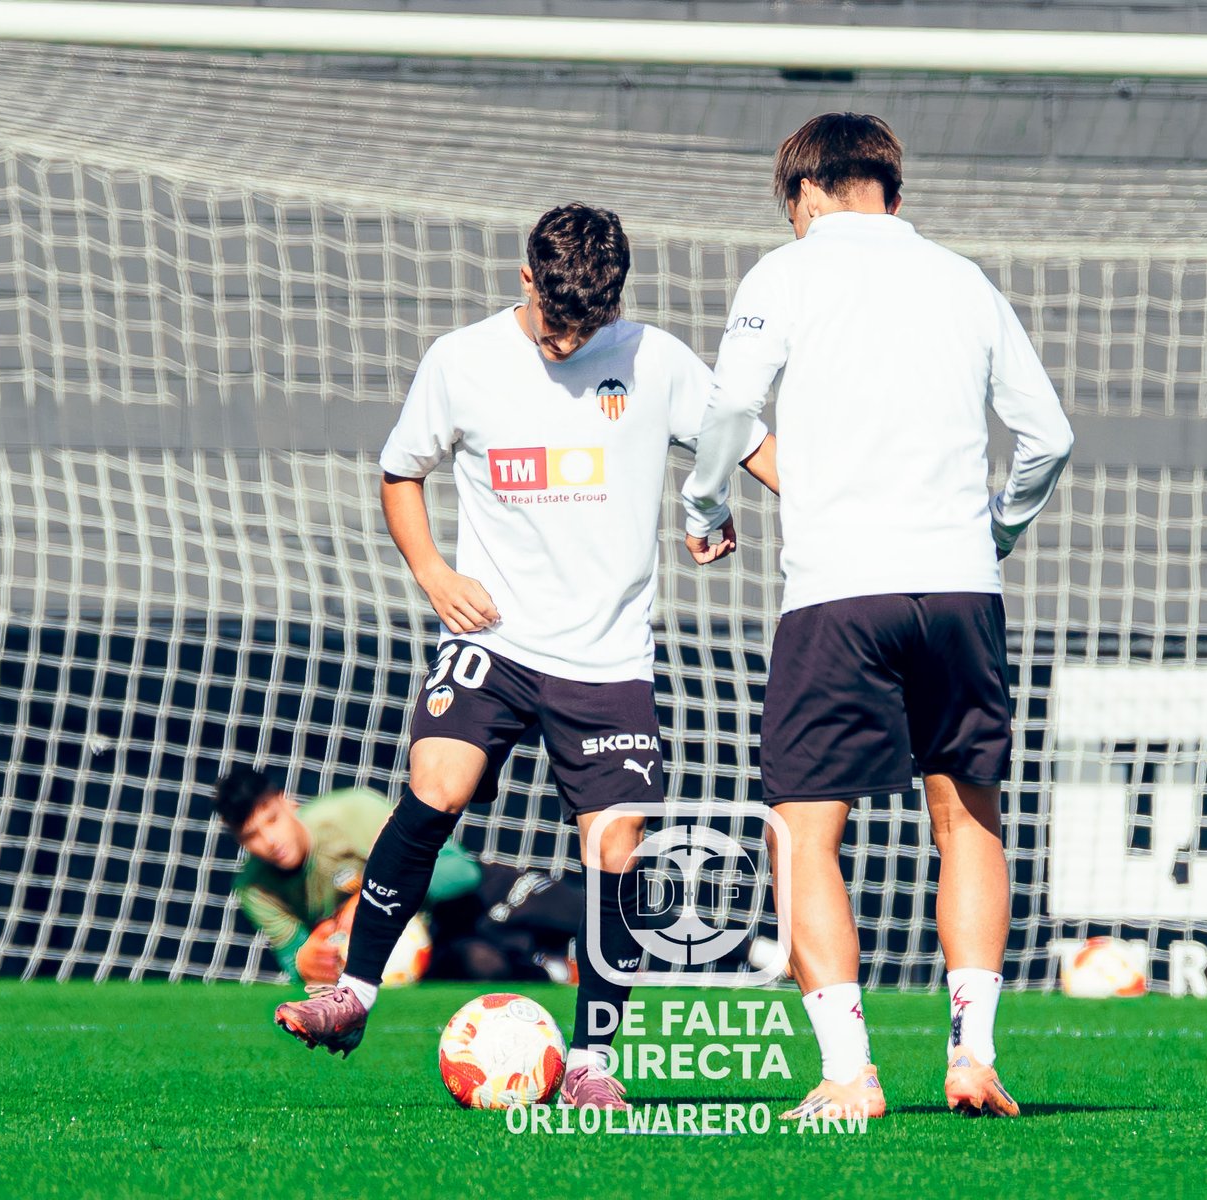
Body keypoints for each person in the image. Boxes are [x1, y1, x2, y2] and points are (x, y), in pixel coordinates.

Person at [273, 203, 777, 1111]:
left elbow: (750, 445)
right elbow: (401, 472)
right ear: (525, 281)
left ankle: (591, 1062)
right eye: (553, 322)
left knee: (616, 850)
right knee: (436, 784)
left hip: (607, 659)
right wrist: (431, 570)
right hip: (492, 641)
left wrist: (743, 508)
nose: (564, 344)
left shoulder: (654, 359)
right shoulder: (461, 361)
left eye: (584, 327)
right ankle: (353, 993)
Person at [683, 113, 1074, 1120]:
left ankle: (849, 1073)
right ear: (891, 194)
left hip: (838, 591)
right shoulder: (962, 279)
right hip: (958, 588)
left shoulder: (785, 272)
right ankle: (972, 1057)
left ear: (805, 194)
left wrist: (705, 502)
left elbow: (730, 409)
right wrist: (996, 535)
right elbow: (1047, 436)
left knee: (805, 830)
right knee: (967, 820)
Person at [213, 766, 478, 985]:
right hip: (384, 972)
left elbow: (463, 872)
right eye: (251, 835)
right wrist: (306, 961)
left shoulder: (354, 812)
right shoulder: (255, 889)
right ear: (239, 840)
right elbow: (294, 962)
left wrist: (371, 899)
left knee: (485, 960)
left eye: (272, 820)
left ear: (288, 802)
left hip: (459, 919)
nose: (270, 840)